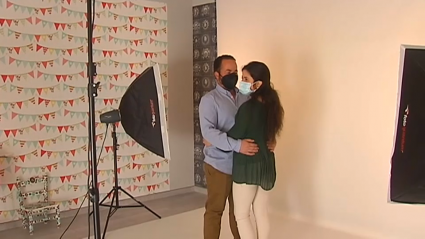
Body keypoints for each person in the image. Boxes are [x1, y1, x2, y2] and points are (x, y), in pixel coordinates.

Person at [199, 55, 260, 239]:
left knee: (239, 212)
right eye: (228, 72)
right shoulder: (209, 100)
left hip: (241, 165)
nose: (233, 75)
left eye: (235, 71)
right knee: (215, 210)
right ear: (217, 75)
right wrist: (237, 145)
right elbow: (208, 132)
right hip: (219, 165)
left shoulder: (245, 97)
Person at [227, 61, 284, 239]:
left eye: (245, 78)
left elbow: (236, 134)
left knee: (242, 215)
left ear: (257, 84)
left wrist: (219, 135)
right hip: (267, 164)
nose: (241, 82)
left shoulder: (248, 108)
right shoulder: (273, 106)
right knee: (261, 212)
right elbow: (271, 136)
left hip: (248, 166)